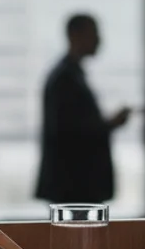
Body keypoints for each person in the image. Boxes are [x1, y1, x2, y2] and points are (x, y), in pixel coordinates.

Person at [36, 14, 130, 205]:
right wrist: (108, 125)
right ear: (74, 35)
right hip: (74, 183)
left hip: (74, 183)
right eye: (93, 33)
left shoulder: (68, 75)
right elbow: (67, 131)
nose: (98, 40)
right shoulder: (65, 78)